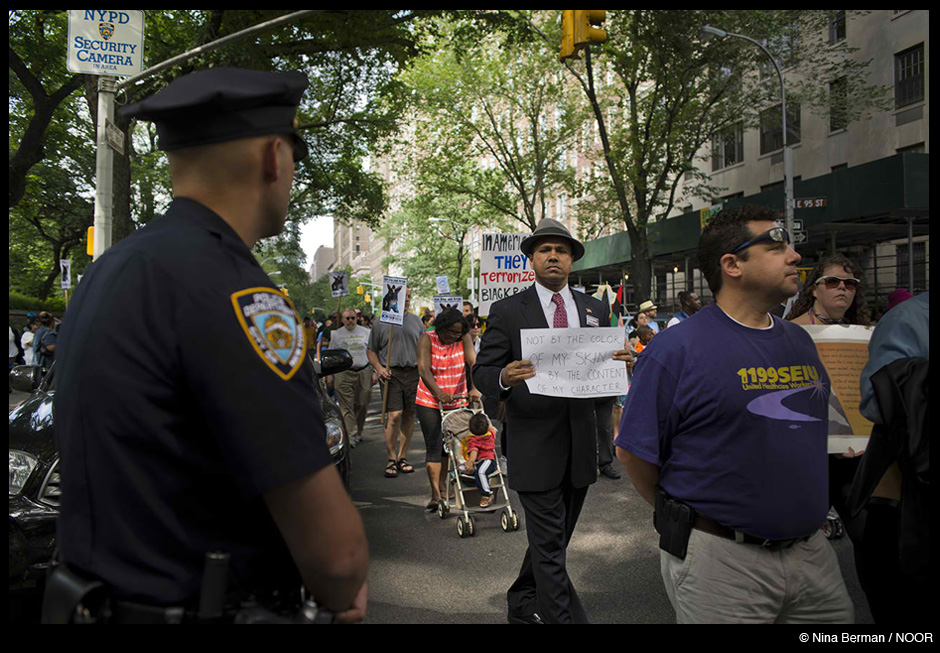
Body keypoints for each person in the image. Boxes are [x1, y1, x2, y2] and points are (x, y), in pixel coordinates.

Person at [49, 68, 368, 624]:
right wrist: (342, 590)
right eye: (294, 156)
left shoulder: (110, 270)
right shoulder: (243, 297)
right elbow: (336, 556)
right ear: (273, 156)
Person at [616, 205, 854, 624]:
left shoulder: (800, 342)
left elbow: (816, 428)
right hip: (719, 566)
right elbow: (634, 454)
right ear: (732, 265)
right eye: (777, 246)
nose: (795, 256)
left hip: (813, 557)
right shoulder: (675, 350)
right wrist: (694, 521)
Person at [473, 217, 633, 624]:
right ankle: (561, 617)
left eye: (561, 250)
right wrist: (502, 377)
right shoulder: (508, 310)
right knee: (549, 548)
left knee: (554, 541)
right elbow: (483, 373)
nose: (554, 256)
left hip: (581, 449)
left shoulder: (596, 309)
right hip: (533, 446)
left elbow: (604, 373)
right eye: (545, 250)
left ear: (572, 260)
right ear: (531, 259)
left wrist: (623, 363)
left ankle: (521, 600)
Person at [415, 308, 480, 509]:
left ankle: (447, 486)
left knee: (451, 447)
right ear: (441, 328)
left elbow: (473, 363)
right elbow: (424, 369)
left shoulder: (464, 338)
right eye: (450, 332)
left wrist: (475, 388)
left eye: (457, 333)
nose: (453, 336)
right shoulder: (427, 338)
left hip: (458, 398)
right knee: (435, 446)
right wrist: (438, 392)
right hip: (430, 400)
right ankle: (436, 493)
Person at [367, 287, 423, 478]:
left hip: (413, 373)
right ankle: (391, 458)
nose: (406, 300)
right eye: (403, 296)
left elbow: (424, 349)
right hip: (391, 374)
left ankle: (402, 457)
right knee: (394, 415)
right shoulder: (381, 322)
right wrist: (379, 368)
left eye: (408, 296)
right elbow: (371, 350)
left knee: (409, 414)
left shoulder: (417, 322)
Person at [330, 308, 374, 448]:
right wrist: (330, 375)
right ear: (342, 320)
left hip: (363, 371)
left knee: (362, 403)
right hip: (343, 373)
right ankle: (351, 434)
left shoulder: (366, 333)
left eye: (353, 318)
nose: (350, 321)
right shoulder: (336, 335)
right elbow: (331, 355)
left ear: (357, 319)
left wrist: (376, 372)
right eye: (347, 318)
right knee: (346, 406)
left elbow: (373, 353)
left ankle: (358, 430)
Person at [786, 253, 871, 326]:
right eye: (832, 281)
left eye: (850, 283)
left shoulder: (862, 332)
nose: (842, 286)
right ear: (814, 290)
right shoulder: (795, 330)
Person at [463, 413, 498, 508]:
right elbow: (493, 429)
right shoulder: (491, 434)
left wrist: (470, 461)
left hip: (487, 461)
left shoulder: (473, 440)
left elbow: (474, 452)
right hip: (490, 462)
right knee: (480, 471)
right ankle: (485, 491)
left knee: (481, 472)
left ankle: (486, 494)